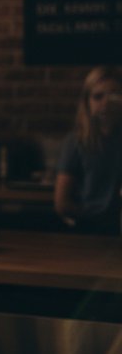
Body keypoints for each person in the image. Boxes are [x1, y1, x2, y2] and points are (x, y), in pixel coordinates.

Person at [54, 66, 122, 234]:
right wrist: (94, 217)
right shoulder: (76, 142)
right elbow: (62, 203)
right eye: (98, 97)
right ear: (87, 102)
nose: (106, 103)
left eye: (113, 95)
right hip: (87, 229)